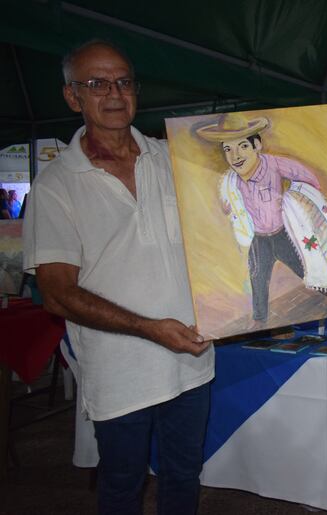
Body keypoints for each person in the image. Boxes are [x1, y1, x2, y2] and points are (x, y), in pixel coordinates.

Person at [22, 40, 214, 515]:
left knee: (184, 477)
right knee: (123, 486)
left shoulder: (175, 159)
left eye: (124, 81)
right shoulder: (56, 185)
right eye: (97, 83)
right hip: (120, 372)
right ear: (73, 97)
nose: (114, 93)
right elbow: (57, 294)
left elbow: (237, 209)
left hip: (192, 359)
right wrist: (149, 328)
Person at [195, 112, 327, 322]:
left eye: (243, 146)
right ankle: (260, 321)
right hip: (259, 239)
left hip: (282, 234)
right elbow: (230, 204)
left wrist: (301, 200)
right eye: (228, 149)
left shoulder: (274, 164)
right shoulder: (231, 181)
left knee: (304, 267)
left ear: (257, 145)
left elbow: (308, 178)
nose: (235, 156)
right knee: (257, 277)